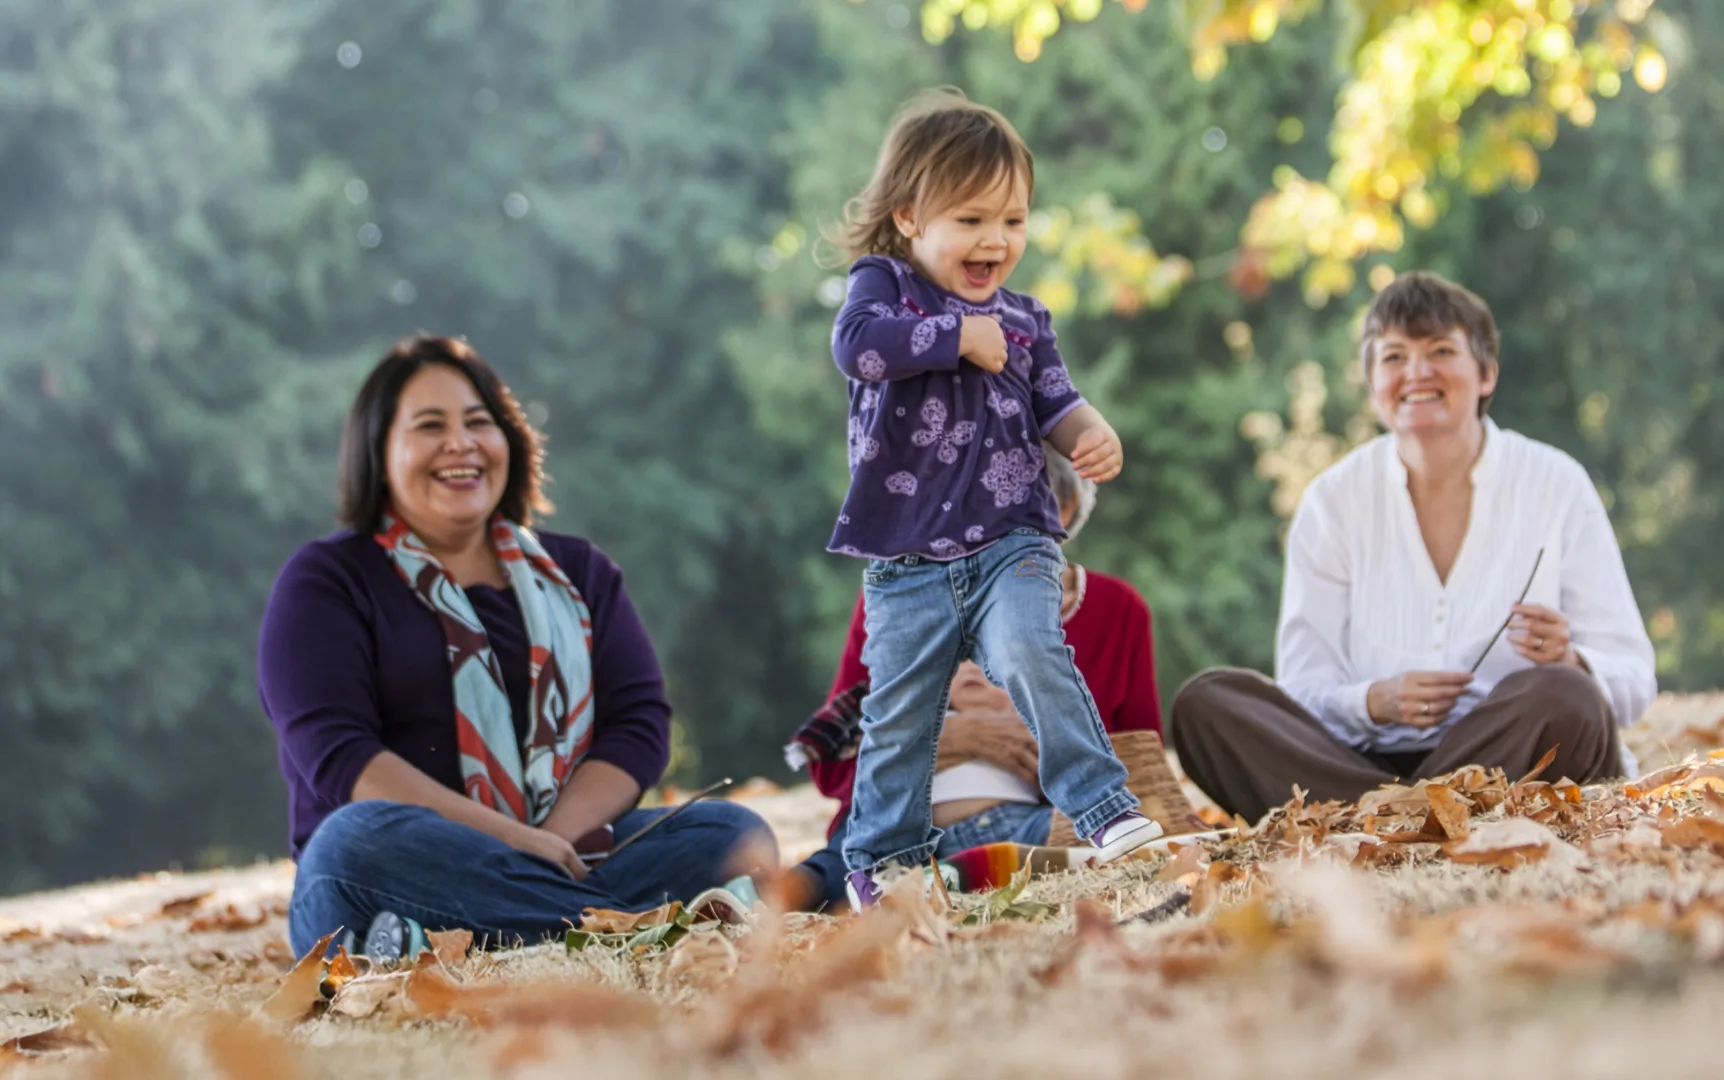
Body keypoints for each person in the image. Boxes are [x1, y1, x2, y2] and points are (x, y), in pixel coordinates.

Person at [259, 335, 774, 958]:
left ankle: (471, 940)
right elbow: (341, 757)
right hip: (396, 866)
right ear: (379, 451)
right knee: (350, 843)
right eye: (430, 425)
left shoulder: (579, 571)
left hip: (560, 854)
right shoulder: (327, 580)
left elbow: (636, 724)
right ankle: (628, 932)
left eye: (480, 422)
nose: (462, 443)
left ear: (510, 440)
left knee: (728, 831)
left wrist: (550, 840)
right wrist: (508, 839)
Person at [823, 88, 1162, 910]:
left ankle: (1103, 804)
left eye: (1012, 220)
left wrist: (1090, 430)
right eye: (971, 220)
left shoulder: (1026, 320)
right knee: (901, 713)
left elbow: (1057, 401)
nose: (995, 241)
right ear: (909, 217)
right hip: (907, 561)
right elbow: (855, 350)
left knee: (1030, 652)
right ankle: (883, 858)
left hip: (1012, 538)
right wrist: (950, 336)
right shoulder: (885, 291)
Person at [1171, 272, 1657, 819]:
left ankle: (1382, 819)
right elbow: (1304, 688)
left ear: (1487, 373)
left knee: (1567, 697)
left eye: (1441, 351)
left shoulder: (1555, 483)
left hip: (1508, 752)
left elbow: (1634, 677)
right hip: (1359, 763)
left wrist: (1569, 658)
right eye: (1394, 356)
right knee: (1208, 703)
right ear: (1372, 382)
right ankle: (1421, 814)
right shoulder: (1332, 501)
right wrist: (1374, 702)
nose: (1417, 373)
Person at [782, 447, 1163, 909]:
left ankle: (964, 875)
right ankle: (773, 896)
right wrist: (950, 737)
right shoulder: (900, 597)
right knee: (833, 868)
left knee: (1067, 848)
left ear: (1058, 513)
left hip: (1024, 821)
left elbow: (1141, 765)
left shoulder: (1117, 610)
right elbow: (832, 762)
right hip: (891, 825)